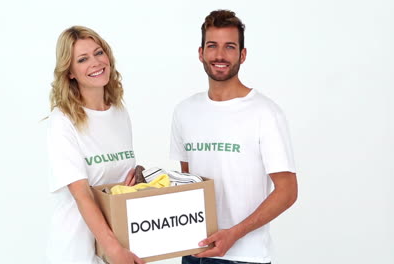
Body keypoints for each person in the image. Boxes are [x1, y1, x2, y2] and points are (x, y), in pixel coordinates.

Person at [170, 10, 298, 264]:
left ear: (242, 54)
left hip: (245, 256)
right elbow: (188, 183)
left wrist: (234, 234)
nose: (219, 55)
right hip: (193, 251)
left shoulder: (265, 112)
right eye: (212, 46)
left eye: (229, 47)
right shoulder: (184, 111)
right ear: (201, 53)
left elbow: (288, 191)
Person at [46, 26, 144, 264]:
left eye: (98, 53)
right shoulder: (63, 120)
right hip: (77, 250)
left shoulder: (119, 112)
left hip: (116, 245)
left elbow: (113, 187)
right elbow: (82, 194)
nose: (95, 62)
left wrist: (138, 180)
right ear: (69, 72)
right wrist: (114, 250)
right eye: (82, 59)